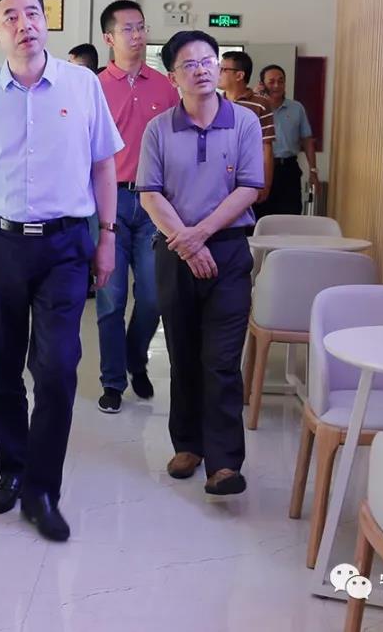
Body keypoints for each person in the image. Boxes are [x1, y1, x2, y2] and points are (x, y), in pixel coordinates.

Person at [0, 0, 121, 541]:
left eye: (33, 13)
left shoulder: (82, 85)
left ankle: (43, 488)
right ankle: (12, 471)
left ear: (46, 21)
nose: (25, 24)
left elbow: (104, 165)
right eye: (11, 17)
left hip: (65, 245)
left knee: (59, 367)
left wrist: (107, 236)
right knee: (2, 368)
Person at [136, 30, 263, 496]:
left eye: (209, 60)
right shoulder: (158, 129)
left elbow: (249, 189)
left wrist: (202, 235)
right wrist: (187, 244)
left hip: (227, 250)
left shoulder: (244, 121)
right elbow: (150, 194)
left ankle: (225, 462)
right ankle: (188, 444)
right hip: (175, 251)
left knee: (222, 360)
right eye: (189, 64)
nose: (202, 70)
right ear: (173, 77)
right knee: (183, 354)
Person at [93, 0, 179, 413]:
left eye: (141, 27)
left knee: (153, 296)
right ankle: (112, 381)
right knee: (110, 299)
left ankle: (134, 357)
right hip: (107, 203)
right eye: (128, 29)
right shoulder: (93, 87)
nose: (138, 35)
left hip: (153, 203)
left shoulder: (165, 87)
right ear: (109, 38)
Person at [256, 64, 319, 216]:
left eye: (281, 81)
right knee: (260, 217)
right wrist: (255, 97)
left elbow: (307, 140)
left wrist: (313, 171)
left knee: (290, 216)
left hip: (288, 169)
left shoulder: (296, 108)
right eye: (271, 82)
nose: (276, 85)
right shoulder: (255, 108)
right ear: (262, 84)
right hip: (261, 169)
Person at [219, 50, 274, 206]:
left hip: (248, 177)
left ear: (239, 75)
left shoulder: (260, 104)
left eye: (223, 69)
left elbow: (266, 147)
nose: (218, 73)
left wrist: (265, 183)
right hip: (220, 179)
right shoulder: (216, 103)